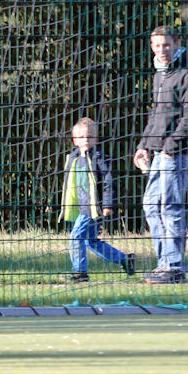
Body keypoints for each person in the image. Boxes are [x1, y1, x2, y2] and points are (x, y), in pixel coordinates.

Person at [133, 25, 188, 285]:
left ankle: (174, 268)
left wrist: (171, 147)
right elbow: (157, 115)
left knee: (169, 207)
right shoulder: (160, 74)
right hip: (158, 151)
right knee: (151, 205)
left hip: (177, 152)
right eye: (157, 45)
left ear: (176, 43)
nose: (162, 50)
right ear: (152, 47)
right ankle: (164, 265)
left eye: (166, 45)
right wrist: (143, 145)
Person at [59, 117, 135, 283]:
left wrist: (108, 204)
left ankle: (80, 273)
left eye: (90, 136)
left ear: (96, 139)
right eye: (82, 137)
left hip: (94, 207)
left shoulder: (99, 158)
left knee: (76, 237)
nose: (86, 140)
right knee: (90, 241)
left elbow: (108, 182)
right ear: (74, 141)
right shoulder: (73, 158)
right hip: (82, 206)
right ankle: (124, 260)